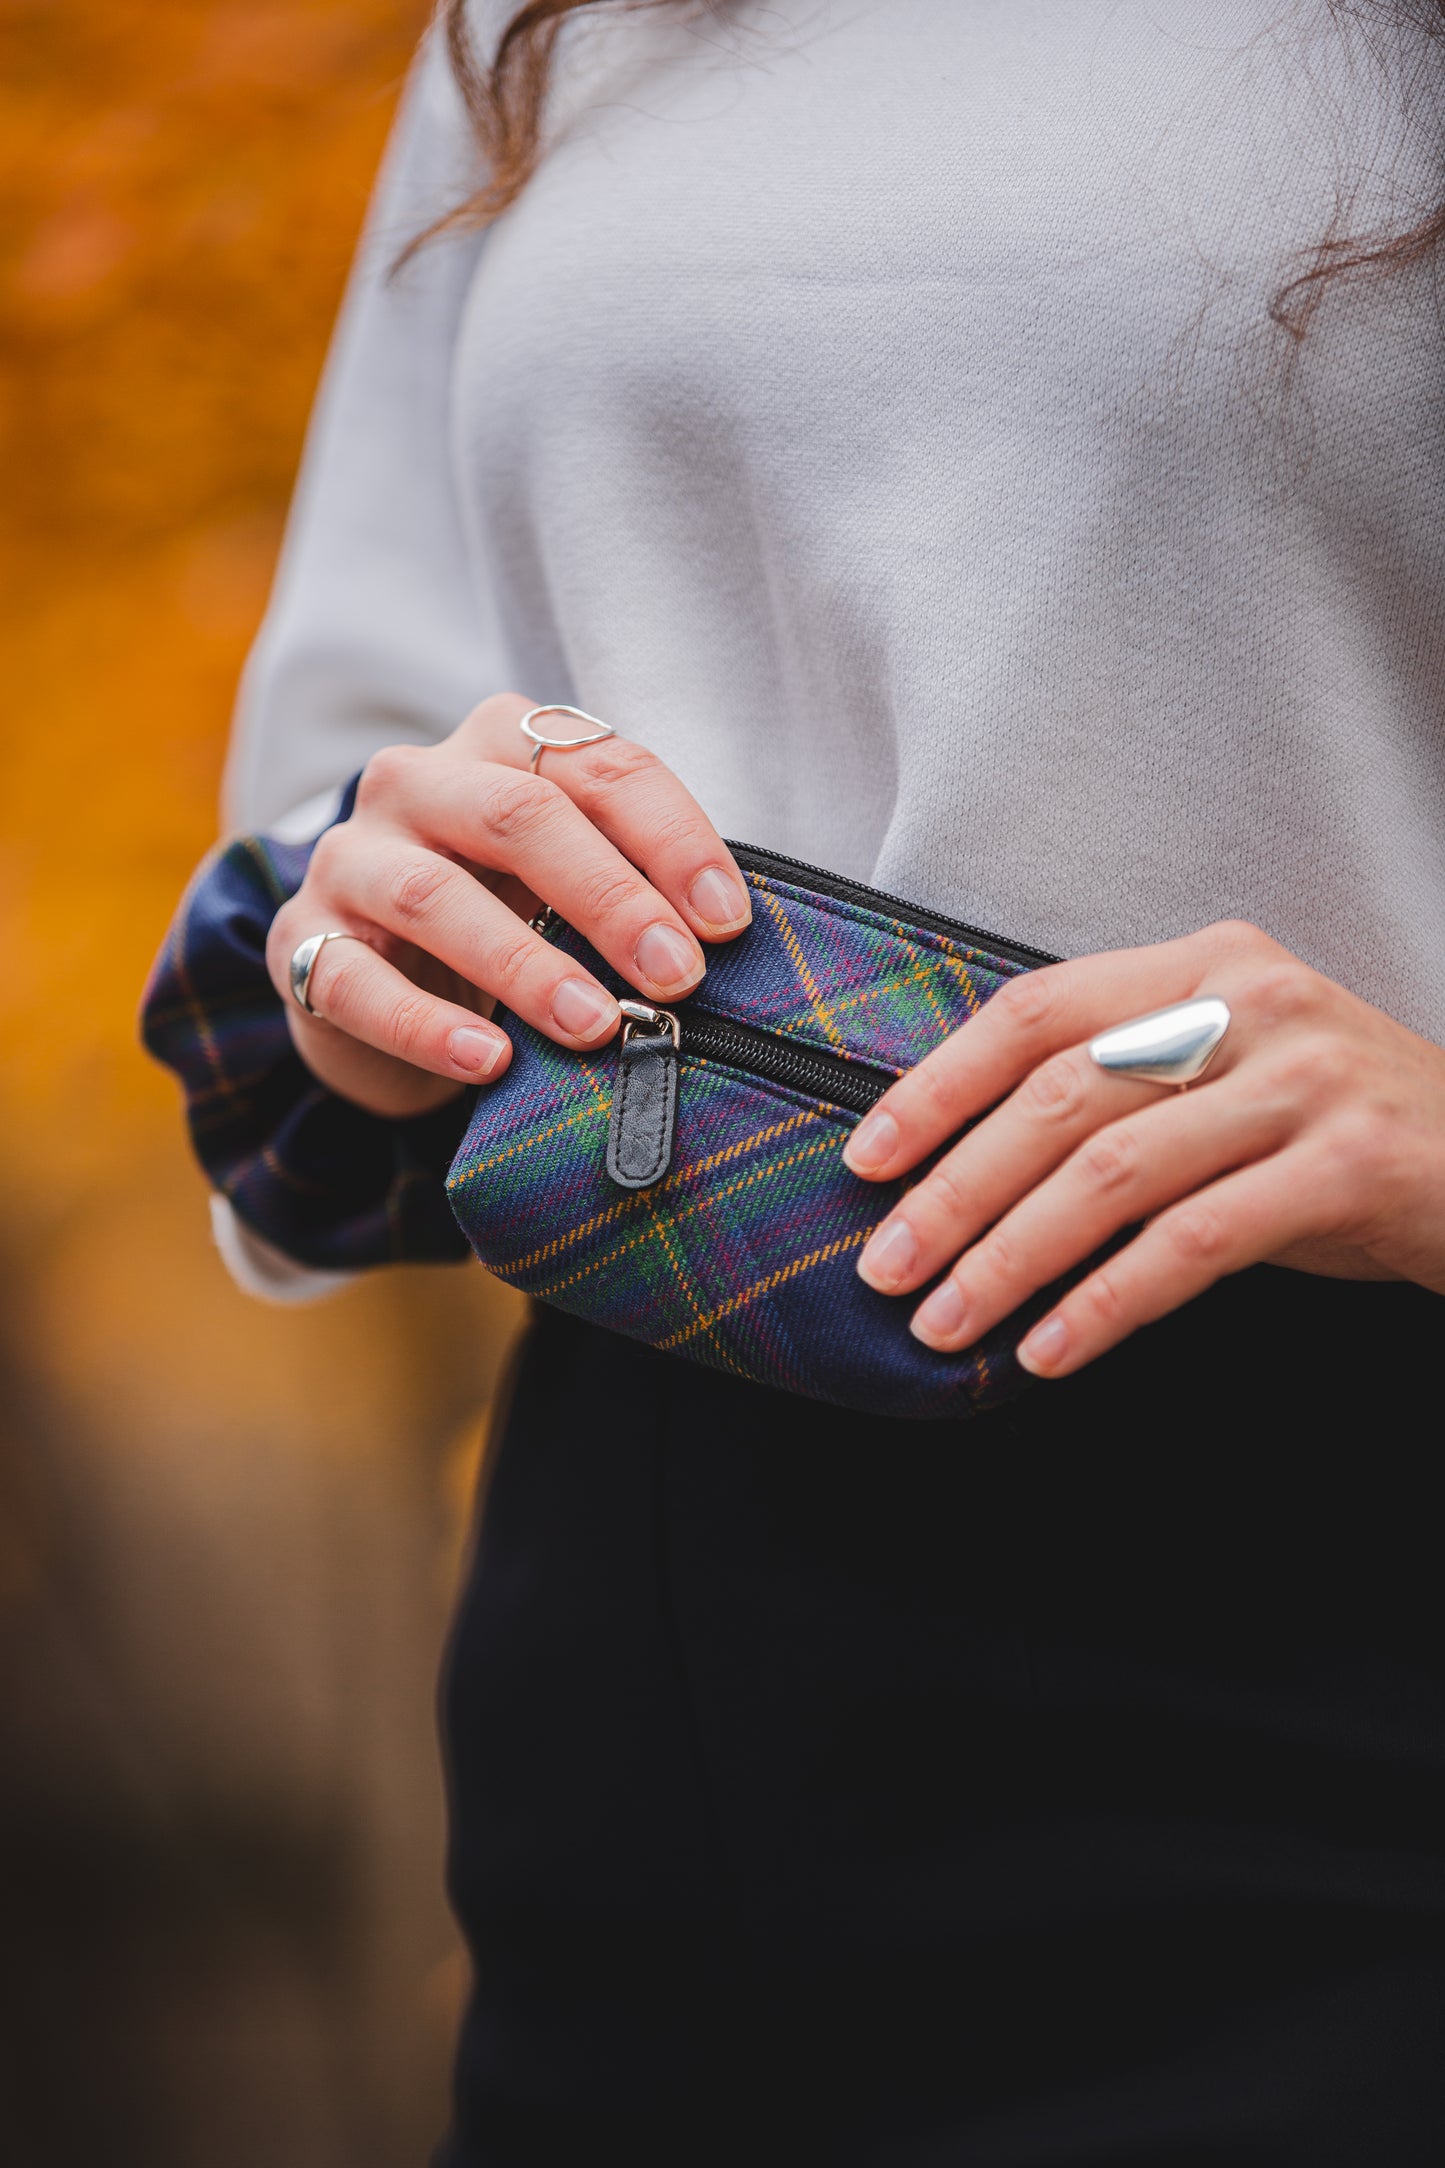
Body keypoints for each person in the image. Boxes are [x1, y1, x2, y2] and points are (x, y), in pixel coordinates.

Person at [145, 3, 1445, 2159]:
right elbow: (348, 760)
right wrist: (357, 923)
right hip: (651, 1607)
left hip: (1354, 1585)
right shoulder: (541, 25)